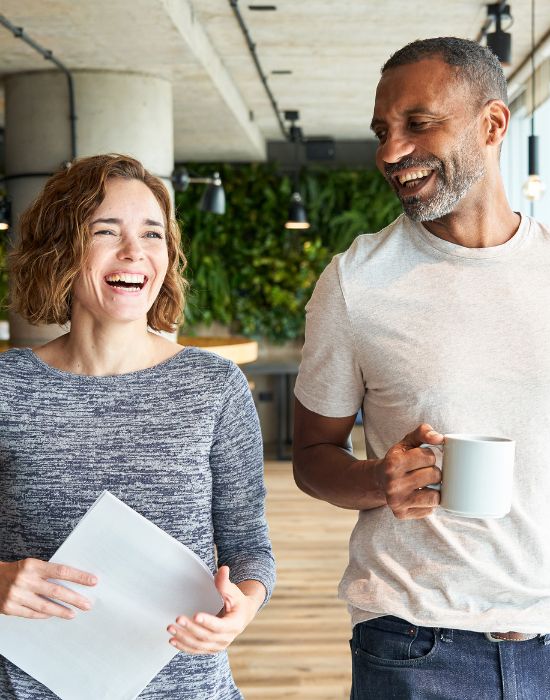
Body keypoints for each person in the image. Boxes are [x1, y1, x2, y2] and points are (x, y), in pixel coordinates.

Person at [292, 36, 550, 699]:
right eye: (382, 131)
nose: (390, 152)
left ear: (492, 124)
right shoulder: (358, 283)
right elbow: (313, 453)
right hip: (416, 644)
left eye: (417, 123)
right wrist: (380, 482)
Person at [0, 154, 275, 699]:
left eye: (152, 234)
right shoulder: (6, 386)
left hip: (187, 688)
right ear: (61, 250)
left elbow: (248, 546)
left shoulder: (214, 386)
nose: (134, 252)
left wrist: (243, 606)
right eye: (106, 231)